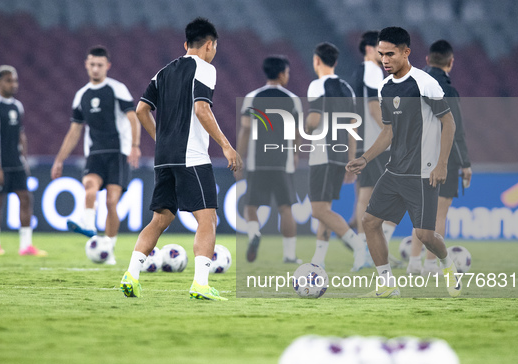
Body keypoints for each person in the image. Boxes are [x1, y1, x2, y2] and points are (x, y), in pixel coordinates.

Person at [120, 18, 241, 300]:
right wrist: (226, 145)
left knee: (159, 219)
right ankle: (200, 284)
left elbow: (141, 110)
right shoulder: (205, 69)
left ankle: (131, 275)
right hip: (192, 156)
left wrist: (160, 139)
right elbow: (201, 110)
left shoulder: (162, 72)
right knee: (207, 218)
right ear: (209, 45)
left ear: (186, 44)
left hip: (164, 158)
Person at [346, 27, 460, 298]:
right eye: (381, 54)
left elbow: (449, 123)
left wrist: (442, 164)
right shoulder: (384, 87)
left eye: (390, 54)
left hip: (424, 172)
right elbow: (388, 131)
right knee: (369, 222)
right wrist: (364, 158)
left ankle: (448, 264)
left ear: (406, 52)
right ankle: (387, 284)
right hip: (395, 170)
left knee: (424, 235)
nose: (384, 59)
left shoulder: (424, 83)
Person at [51, 46, 140, 265]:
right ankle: (89, 226)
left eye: (100, 65)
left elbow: (133, 117)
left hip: (118, 153)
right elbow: (74, 131)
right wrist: (59, 159)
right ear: (86, 65)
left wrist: (135, 146)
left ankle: (108, 248)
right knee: (89, 187)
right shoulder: (81, 95)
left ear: (107, 66)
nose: (96, 68)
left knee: (111, 202)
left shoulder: (117, 89)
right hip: (95, 153)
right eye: (92, 64)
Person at [408, 39, 472, 275]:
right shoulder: (449, 90)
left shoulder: (411, 85)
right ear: (451, 62)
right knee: (439, 213)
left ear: (427, 60)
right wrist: (465, 163)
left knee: (420, 211)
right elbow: (455, 130)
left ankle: (414, 263)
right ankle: (431, 265)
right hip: (443, 158)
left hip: (415, 156)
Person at [305, 42, 368, 271]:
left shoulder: (316, 86)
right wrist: (351, 162)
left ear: (317, 61)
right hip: (342, 155)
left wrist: (303, 128)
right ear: (336, 62)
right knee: (326, 209)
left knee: (318, 210)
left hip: (323, 154)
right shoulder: (347, 89)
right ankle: (318, 260)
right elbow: (354, 127)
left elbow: (313, 121)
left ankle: (358, 246)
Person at [237, 55, 302, 264]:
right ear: (282, 73)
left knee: (251, 206)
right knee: (286, 208)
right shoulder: (293, 99)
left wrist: (239, 157)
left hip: (258, 162)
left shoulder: (252, 97)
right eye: (288, 73)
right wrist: (295, 153)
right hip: (282, 162)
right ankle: (290, 255)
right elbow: (296, 132)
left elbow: (246, 129)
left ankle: (254, 232)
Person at [0, 65, 46, 257]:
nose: (14, 84)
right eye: (9, 80)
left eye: (15, 80)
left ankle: (26, 245)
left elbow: (21, 134)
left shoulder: (17, 106)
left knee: (26, 198)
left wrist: (24, 158)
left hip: (16, 162)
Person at [350, 31, 401, 267]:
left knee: (365, 196)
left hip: (363, 141)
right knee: (399, 194)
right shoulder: (371, 70)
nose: (384, 56)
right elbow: (373, 107)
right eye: (381, 50)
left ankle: (363, 252)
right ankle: (375, 249)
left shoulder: (357, 73)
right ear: (370, 49)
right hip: (378, 142)